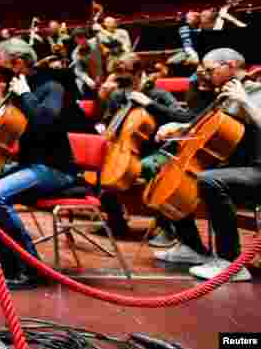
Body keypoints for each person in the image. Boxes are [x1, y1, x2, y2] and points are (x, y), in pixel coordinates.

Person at [0, 38, 89, 290]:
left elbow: (46, 122)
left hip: (54, 169)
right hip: (30, 165)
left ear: (18, 63)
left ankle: (30, 267)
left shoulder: (50, 87)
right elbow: (3, 120)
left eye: (0, 66)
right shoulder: (19, 89)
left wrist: (26, 94)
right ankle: (5, 261)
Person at [151, 48, 261, 281]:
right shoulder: (225, 93)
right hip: (238, 164)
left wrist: (244, 101)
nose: (204, 73)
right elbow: (212, 127)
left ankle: (231, 262)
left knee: (210, 180)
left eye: (210, 69)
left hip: (257, 168)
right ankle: (192, 247)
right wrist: (180, 129)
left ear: (230, 66)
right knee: (168, 173)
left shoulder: (255, 91)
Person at [94, 53, 194, 238]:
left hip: (157, 149)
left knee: (147, 166)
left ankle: (164, 224)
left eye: (128, 78)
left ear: (139, 73)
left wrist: (149, 104)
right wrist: (102, 100)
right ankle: (116, 220)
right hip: (123, 148)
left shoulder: (159, 94)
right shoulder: (119, 94)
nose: (123, 85)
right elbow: (105, 121)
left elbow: (182, 117)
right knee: (98, 170)